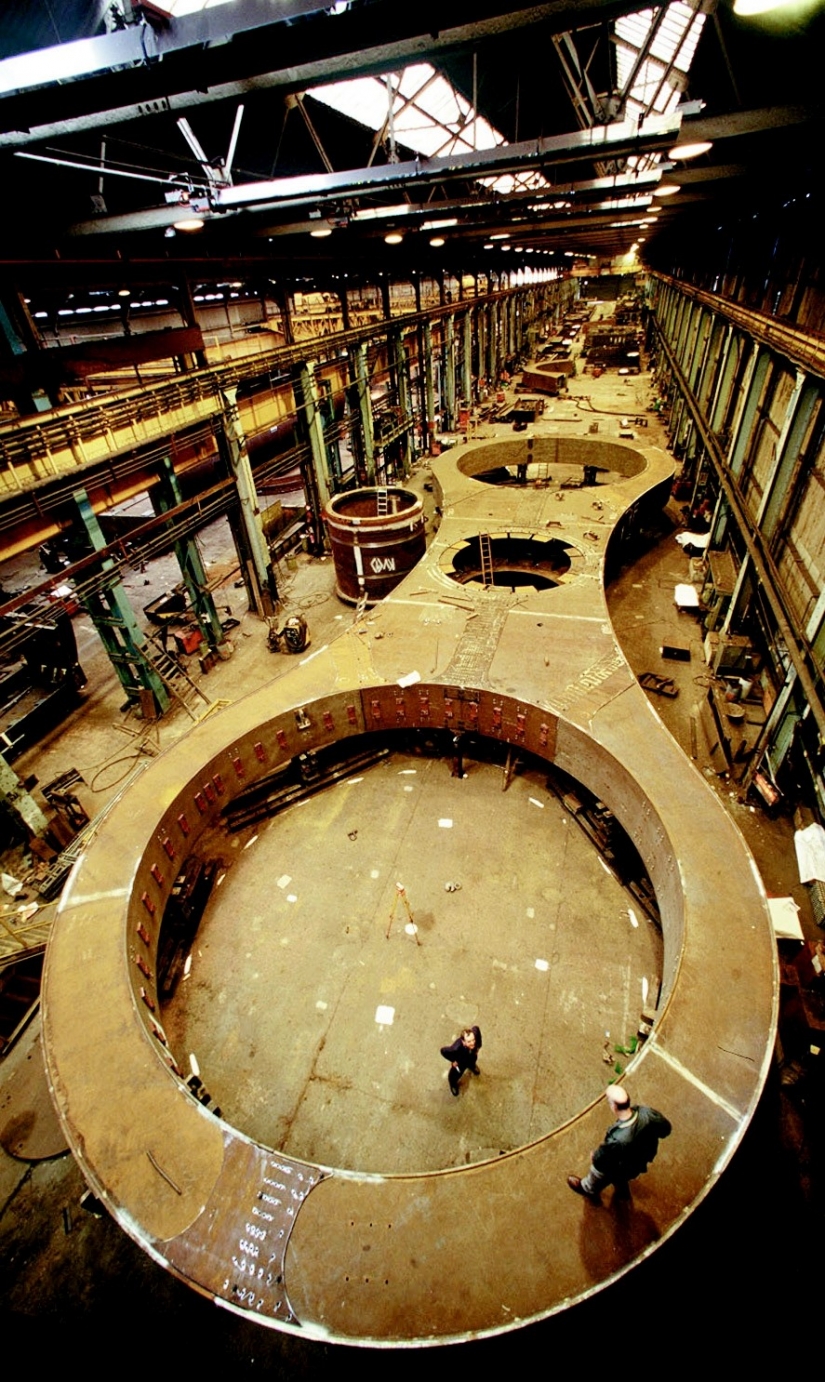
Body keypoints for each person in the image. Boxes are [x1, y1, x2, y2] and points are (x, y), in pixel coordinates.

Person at [567, 1084, 671, 1201]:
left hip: (619, 1165)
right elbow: (666, 1129)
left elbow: (601, 1160)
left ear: (614, 1106)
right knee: (624, 1176)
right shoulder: (646, 1113)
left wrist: (595, 1157)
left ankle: (588, 1188)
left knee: (599, 1173)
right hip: (641, 1159)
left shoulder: (618, 1140)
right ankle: (621, 1186)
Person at [441, 1026, 482, 1097]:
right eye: (469, 1041)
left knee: (472, 1062)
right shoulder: (456, 1048)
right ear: (463, 1042)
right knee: (454, 1075)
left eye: (473, 1040)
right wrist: (453, 1060)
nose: (472, 1043)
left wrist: (478, 1046)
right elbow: (443, 1051)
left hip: (472, 1056)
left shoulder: (475, 1033)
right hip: (461, 1062)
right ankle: (453, 1084)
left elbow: (476, 1029)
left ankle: (472, 1066)